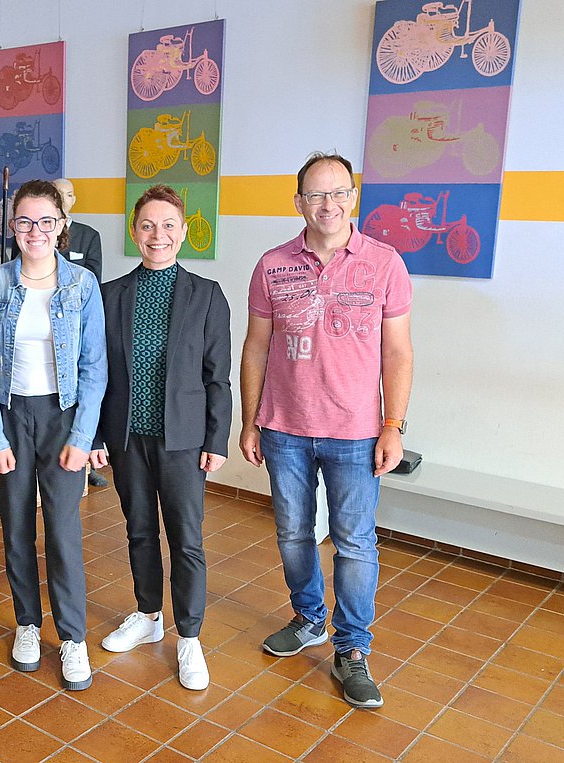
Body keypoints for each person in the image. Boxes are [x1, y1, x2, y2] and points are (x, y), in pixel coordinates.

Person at [240, 152, 413, 709]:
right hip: (284, 428)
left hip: (357, 431)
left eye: (338, 192)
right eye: (316, 194)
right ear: (299, 203)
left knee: (355, 542)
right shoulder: (272, 265)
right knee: (293, 534)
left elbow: (397, 351)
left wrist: (393, 426)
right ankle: (309, 618)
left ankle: (352, 651)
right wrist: (250, 421)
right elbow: (256, 347)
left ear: (354, 197)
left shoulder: (385, 263)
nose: (328, 204)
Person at [0, 179, 107, 691]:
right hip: (11, 416)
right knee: (14, 530)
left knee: (64, 532)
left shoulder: (82, 285)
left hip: (62, 418)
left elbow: (95, 367)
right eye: (25, 221)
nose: (35, 231)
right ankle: (27, 624)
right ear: (12, 228)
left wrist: (83, 434)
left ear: (61, 227)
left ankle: (72, 637)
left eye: (45, 221)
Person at [96, 184, 231, 691]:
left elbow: (218, 376)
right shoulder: (110, 294)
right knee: (138, 530)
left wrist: (216, 440)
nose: (158, 235)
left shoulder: (206, 295)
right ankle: (149, 615)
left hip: (183, 441)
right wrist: (95, 435)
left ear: (184, 232)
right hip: (128, 437)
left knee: (186, 539)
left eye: (169, 225)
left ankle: (190, 637)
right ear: (134, 231)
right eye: (148, 225)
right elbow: (98, 373)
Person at [52, 177, 109, 489]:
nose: (65, 197)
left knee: (86, 388)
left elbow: (94, 281)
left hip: (79, 326)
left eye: (69, 193)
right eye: (58, 193)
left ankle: (88, 457)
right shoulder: (40, 231)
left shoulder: (88, 235)